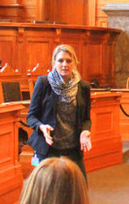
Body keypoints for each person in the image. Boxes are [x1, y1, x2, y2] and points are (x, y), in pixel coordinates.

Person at [27, 45, 92, 179]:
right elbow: (31, 116)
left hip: (73, 148)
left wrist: (85, 131)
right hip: (49, 148)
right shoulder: (43, 83)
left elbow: (86, 119)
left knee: (79, 188)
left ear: (74, 63)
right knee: (49, 188)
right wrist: (41, 127)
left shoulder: (83, 86)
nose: (64, 64)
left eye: (69, 61)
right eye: (60, 60)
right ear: (54, 62)